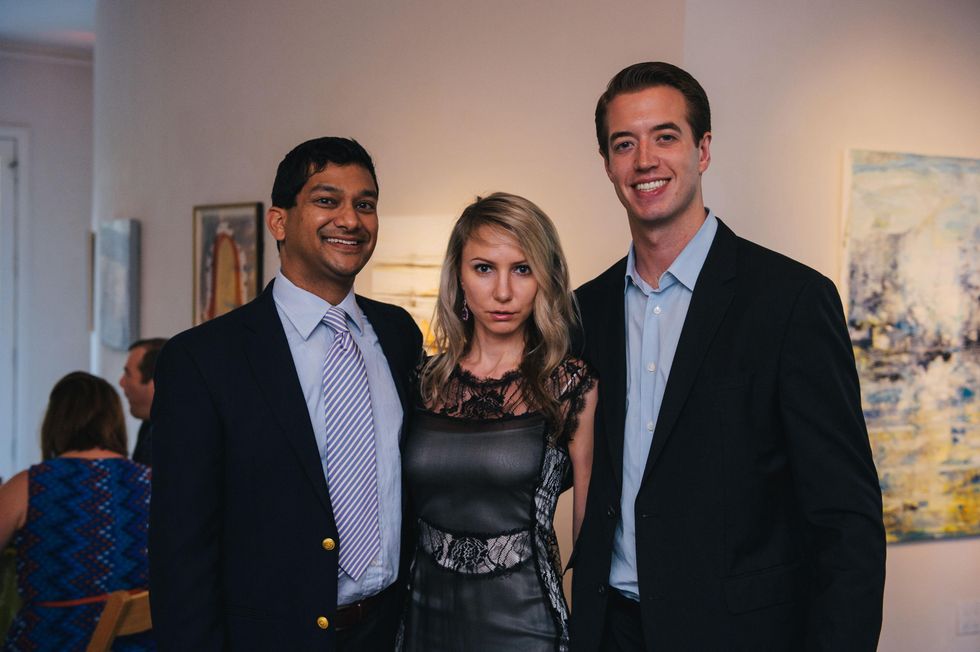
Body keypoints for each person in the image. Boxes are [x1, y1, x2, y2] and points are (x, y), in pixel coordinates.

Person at [569, 62, 886, 651]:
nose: (645, 160)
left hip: (741, 634)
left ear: (703, 149)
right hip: (610, 631)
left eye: (665, 136)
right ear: (607, 163)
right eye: (624, 143)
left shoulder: (791, 301)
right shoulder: (585, 311)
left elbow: (846, 520)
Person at [149, 137, 422, 650]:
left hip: (389, 632)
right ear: (279, 222)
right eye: (326, 200)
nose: (351, 219)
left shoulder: (400, 334)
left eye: (365, 204)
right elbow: (180, 552)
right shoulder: (203, 360)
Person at [401, 192, 598, 651]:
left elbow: (589, 537)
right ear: (460, 277)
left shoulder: (570, 386)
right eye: (484, 268)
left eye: (522, 269)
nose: (503, 291)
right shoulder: (421, 382)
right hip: (422, 621)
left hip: (525, 622)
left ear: (545, 278)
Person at [0, 371, 153, 651]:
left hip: (51, 640)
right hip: (143, 644)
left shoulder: (30, 485)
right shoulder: (153, 482)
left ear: (56, 422)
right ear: (114, 421)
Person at [120, 337, 167, 466]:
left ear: (154, 382)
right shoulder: (148, 425)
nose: (121, 382)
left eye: (128, 374)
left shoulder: (172, 437)